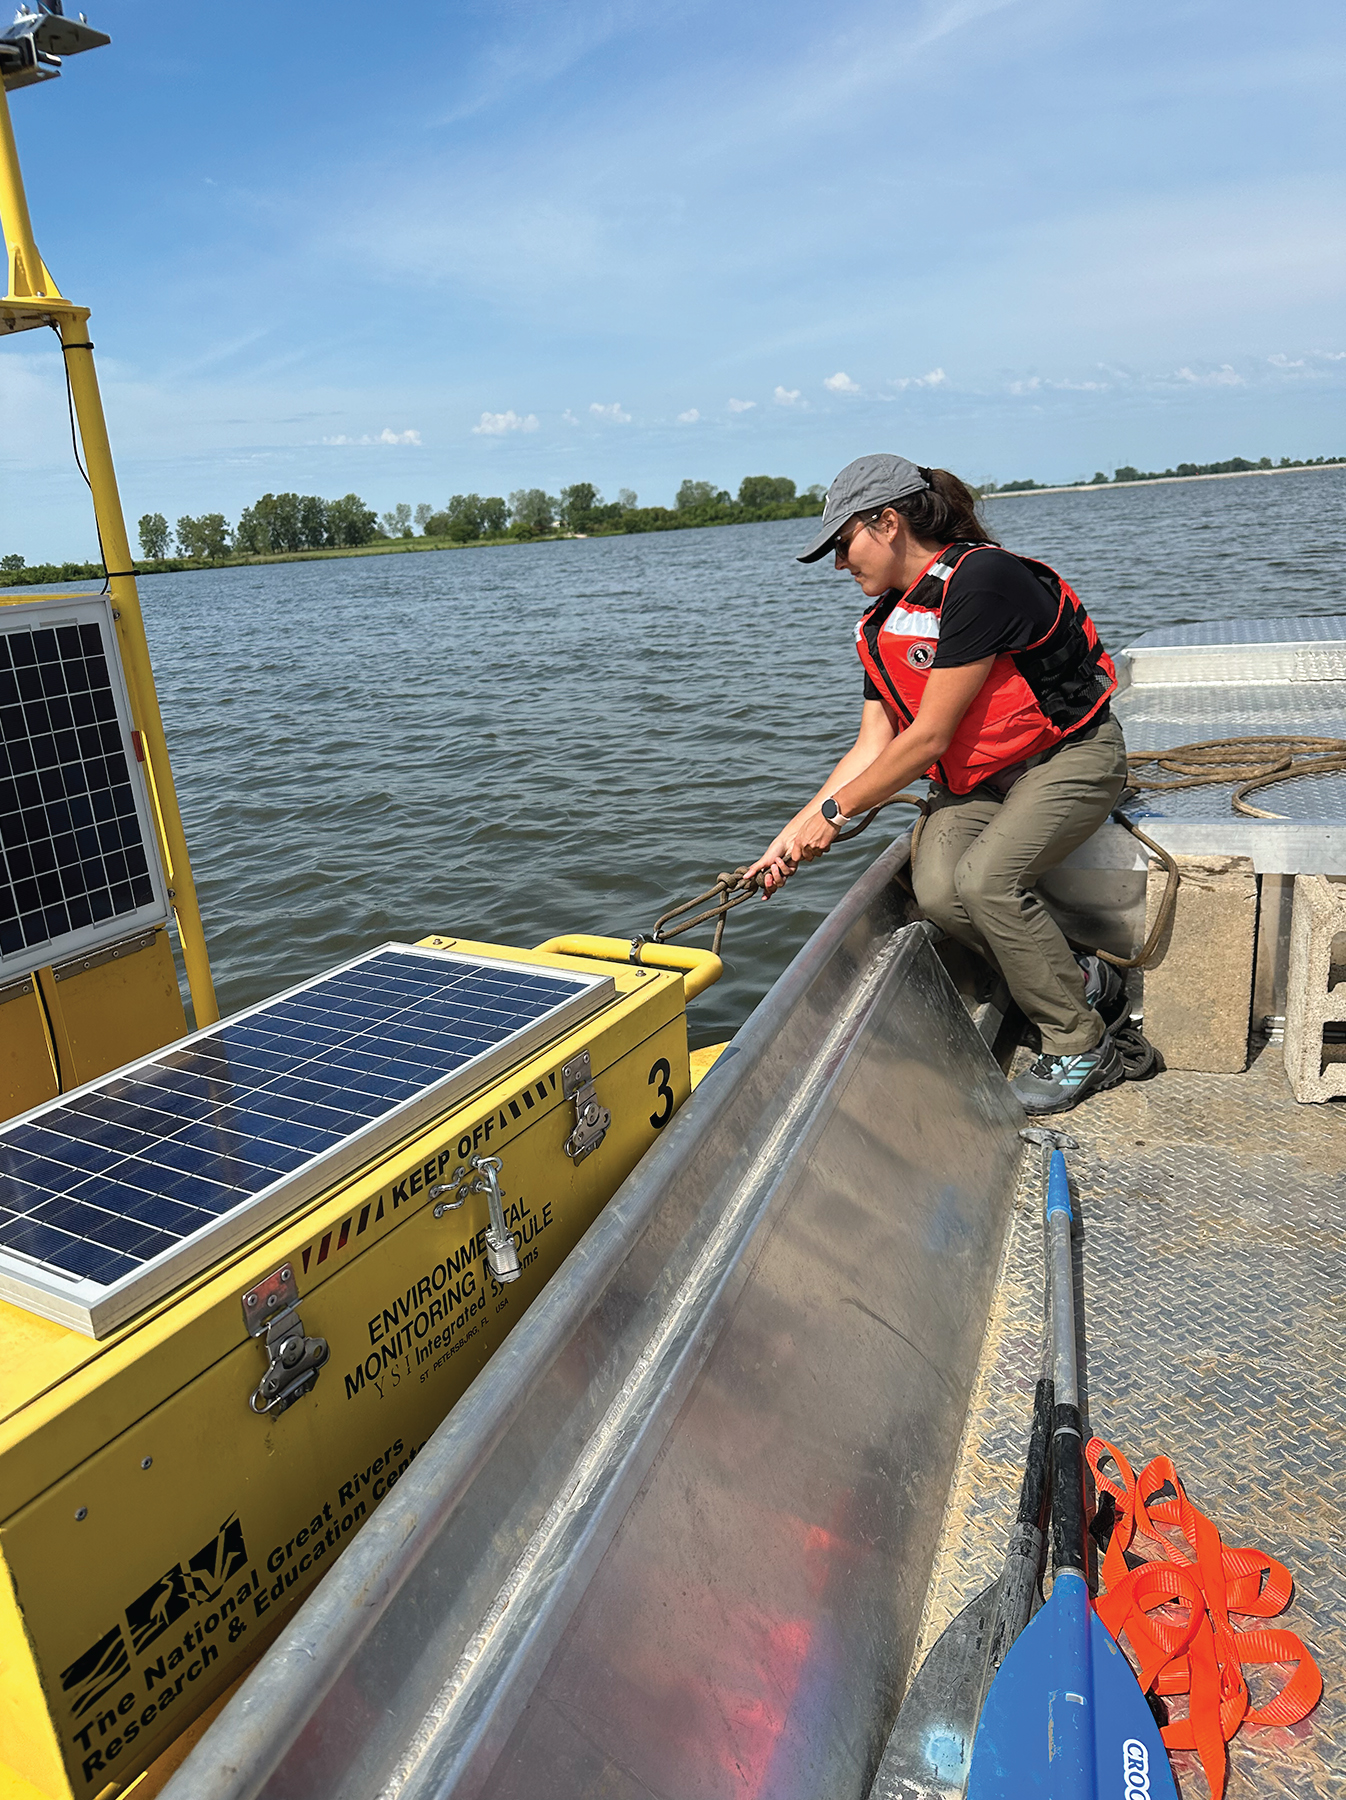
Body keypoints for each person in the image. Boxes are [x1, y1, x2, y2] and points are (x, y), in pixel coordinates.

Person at [744, 452, 1129, 1116]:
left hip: (1070, 758)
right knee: (941, 892)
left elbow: (926, 738)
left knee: (986, 882)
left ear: (887, 522)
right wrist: (786, 841)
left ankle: (1081, 1042)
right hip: (982, 782)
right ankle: (1082, 977)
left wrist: (832, 815)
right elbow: (872, 744)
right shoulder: (882, 623)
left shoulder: (982, 580)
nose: (840, 564)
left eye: (843, 544)